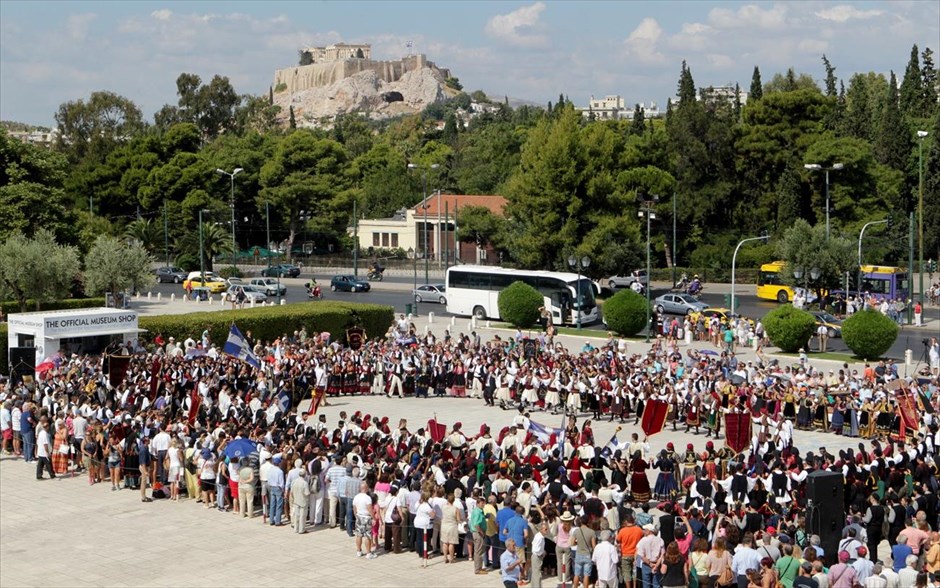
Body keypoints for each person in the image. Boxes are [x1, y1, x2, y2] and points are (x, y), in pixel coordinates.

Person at [571, 516, 597, 588]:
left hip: (579, 553)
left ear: (581, 521)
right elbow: (594, 545)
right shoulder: (591, 532)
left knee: (577, 574)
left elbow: (572, 543)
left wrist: (578, 543)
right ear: (588, 522)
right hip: (588, 555)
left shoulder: (576, 531)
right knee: (586, 575)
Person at [353, 481, 376, 558]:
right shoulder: (367, 498)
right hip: (366, 517)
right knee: (368, 536)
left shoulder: (356, 497)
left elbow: (354, 509)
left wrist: (356, 516)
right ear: (366, 488)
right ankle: (368, 553)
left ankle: (359, 551)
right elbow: (370, 509)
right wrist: (374, 518)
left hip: (359, 516)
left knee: (359, 535)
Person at [440, 493, 462, 564]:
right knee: (451, 543)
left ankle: (445, 557)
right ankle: (451, 558)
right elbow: (458, 519)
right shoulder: (456, 509)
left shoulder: (443, 507)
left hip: (444, 526)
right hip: (452, 526)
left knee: (445, 542)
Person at [290, 467, 310, 534]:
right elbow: (306, 493)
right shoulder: (305, 483)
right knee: (302, 516)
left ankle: (296, 528)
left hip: (296, 500)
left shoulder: (294, 481)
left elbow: (291, 491)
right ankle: (301, 529)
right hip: (303, 501)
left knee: (296, 515)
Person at [267, 455, 285, 526]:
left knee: (272, 504)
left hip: (272, 487)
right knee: (279, 505)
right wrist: (282, 490)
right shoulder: (280, 471)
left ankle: (271, 520)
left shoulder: (270, 469)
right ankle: (277, 521)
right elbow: (281, 483)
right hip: (278, 487)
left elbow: (268, 479)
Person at [138, 435, 153, 502]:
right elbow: (143, 462)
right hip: (144, 467)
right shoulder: (143, 449)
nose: (149, 440)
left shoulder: (145, 447)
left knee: (144, 482)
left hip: (146, 466)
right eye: (148, 440)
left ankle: (144, 496)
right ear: (146, 441)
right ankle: (143, 497)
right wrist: (145, 471)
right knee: (143, 482)